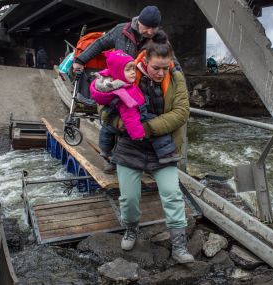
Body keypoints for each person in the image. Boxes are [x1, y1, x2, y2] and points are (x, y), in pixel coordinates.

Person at [94, 31, 194, 263]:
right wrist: (124, 125)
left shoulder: (176, 79)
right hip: (130, 145)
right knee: (129, 198)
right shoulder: (126, 73)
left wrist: (147, 128)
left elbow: (181, 113)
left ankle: (179, 247)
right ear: (144, 61)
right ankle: (131, 229)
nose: (161, 73)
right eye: (156, 68)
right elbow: (103, 108)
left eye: (165, 68)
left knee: (172, 194)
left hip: (163, 146)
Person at [90, 50, 181, 172]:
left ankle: (106, 151)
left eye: (133, 69)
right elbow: (130, 115)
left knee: (108, 131)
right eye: (128, 70)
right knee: (157, 132)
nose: (133, 73)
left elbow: (182, 110)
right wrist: (137, 132)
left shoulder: (109, 81)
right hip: (135, 116)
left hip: (116, 119)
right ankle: (166, 154)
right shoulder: (123, 92)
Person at [72, 5, 162, 72]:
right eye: (147, 27)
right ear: (139, 22)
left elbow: (171, 62)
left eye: (154, 28)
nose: (150, 32)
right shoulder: (121, 30)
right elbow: (100, 43)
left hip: (145, 86)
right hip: (121, 81)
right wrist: (80, 60)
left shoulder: (160, 38)